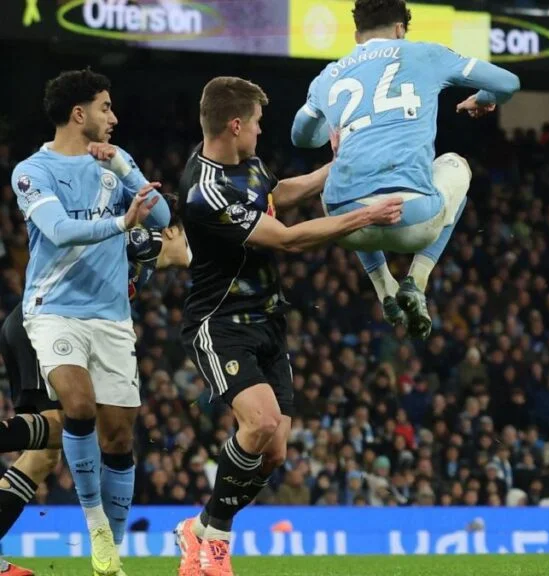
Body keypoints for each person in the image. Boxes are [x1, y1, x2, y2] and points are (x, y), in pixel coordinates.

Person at [174, 76, 402, 576]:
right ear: (235, 125)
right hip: (222, 323)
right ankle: (213, 543)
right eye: (256, 123)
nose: (260, 131)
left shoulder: (244, 163)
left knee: (274, 453)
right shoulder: (205, 191)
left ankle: (200, 527)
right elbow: (288, 239)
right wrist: (365, 215)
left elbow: (276, 195)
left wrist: (332, 169)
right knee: (260, 423)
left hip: (269, 321)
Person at [9, 68, 170, 576]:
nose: (114, 117)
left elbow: (162, 217)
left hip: (113, 320)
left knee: (119, 439)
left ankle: (110, 557)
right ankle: (96, 527)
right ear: (80, 114)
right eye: (105, 107)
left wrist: (125, 169)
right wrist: (123, 223)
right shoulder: (32, 170)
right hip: (53, 311)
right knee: (76, 404)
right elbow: (57, 230)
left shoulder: (116, 167)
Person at [291, 0, 520, 339]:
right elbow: (508, 82)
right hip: (412, 220)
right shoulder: (426, 54)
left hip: (343, 223)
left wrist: (339, 128)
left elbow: (301, 137)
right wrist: (486, 98)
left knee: (353, 177)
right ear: (400, 30)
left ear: (357, 35)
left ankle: (384, 286)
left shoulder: (329, 76)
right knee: (457, 165)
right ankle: (417, 280)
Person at [0, 209, 190, 576]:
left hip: (31, 325)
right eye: (185, 236)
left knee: (45, 454)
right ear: (169, 231)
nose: (188, 246)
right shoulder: (143, 240)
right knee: (70, 423)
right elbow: (135, 242)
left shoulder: (142, 260)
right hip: (40, 329)